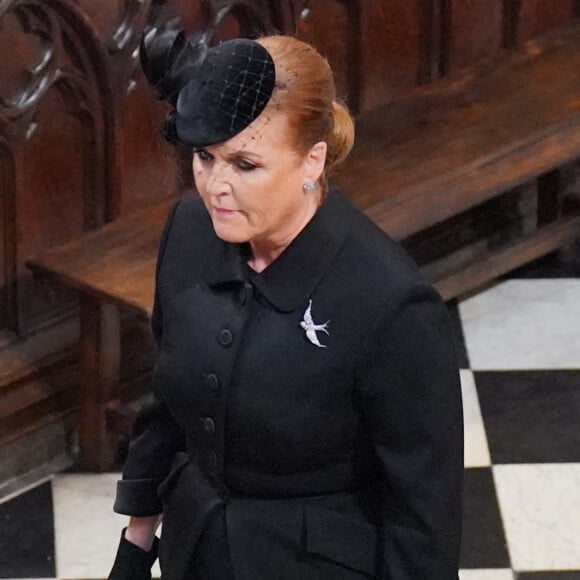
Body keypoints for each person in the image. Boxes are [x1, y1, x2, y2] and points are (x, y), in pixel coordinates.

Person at [108, 23, 463, 580]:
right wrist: (133, 550)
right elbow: (171, 403)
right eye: (205, 157)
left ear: (313, 160)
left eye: (245, 165)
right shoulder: (189, 231)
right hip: (195, 552)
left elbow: (424, 519)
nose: (214, 186)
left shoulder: (392, 303)